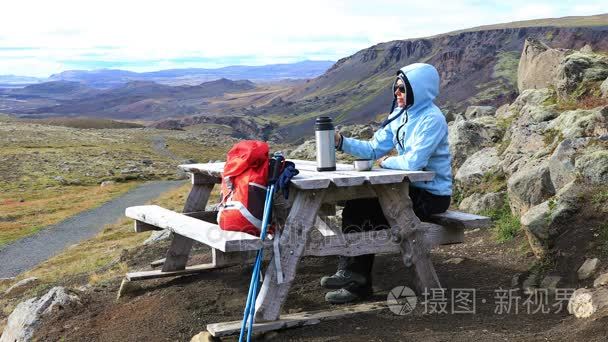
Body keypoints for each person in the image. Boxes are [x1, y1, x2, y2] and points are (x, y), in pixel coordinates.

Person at [322, 63, 453, 304]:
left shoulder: (432, 119)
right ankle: (350, 273)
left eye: (402, 89)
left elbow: (415, 161)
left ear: (419, 89)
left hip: (432, 195)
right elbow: (373, 148)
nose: (397, 93)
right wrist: (341, 142)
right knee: (357, 206)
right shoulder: (401, 115)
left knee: (367, 212)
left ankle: (357, 281)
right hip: (409, 190)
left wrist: (386, 162)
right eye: (396, 89)